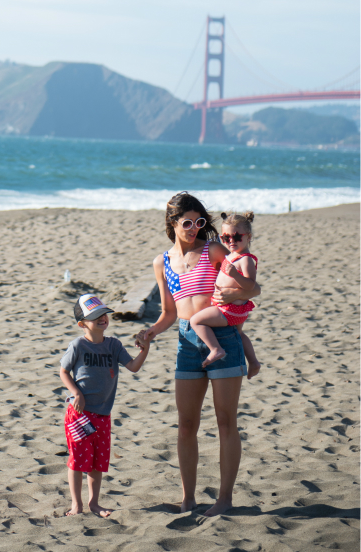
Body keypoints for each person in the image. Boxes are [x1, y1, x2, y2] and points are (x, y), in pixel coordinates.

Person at [136, 192, 261, 517]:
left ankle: (224, 500)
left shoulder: (214, 249)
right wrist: (150, 332)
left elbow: (250, 285)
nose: (194, 228)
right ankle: (188, 498)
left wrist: (250, 290)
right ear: (173, 223)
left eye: (200, 222)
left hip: (223, 334)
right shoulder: (161, 262)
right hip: (187, 341)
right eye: (187, 222)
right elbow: (167, 312)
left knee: (225, 421)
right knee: (187, 423)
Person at [59, 293, 150, 518]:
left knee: (97, 463)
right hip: (79, 414)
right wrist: (76, 393)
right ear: (82, 324)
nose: (103, 319)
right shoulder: (78, 345)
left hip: (103, 414)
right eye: (96, 316)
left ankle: (94, 503)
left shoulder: (113, 345)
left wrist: (144, 349)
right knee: (79, 461)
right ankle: (76, 505)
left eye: (104, 314)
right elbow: (63, 371)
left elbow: (133, 366)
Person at [190, 212, 260, 377]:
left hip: (229, 309)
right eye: (226, 237)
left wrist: (236, 275)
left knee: (196, 321)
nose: (231, 241)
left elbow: (251, 285)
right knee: (240, 334)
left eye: (236, 237)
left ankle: (215, 349)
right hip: (234, 309)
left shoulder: (246, 259)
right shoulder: (231, 256)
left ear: (248, 236)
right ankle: (254, 362)